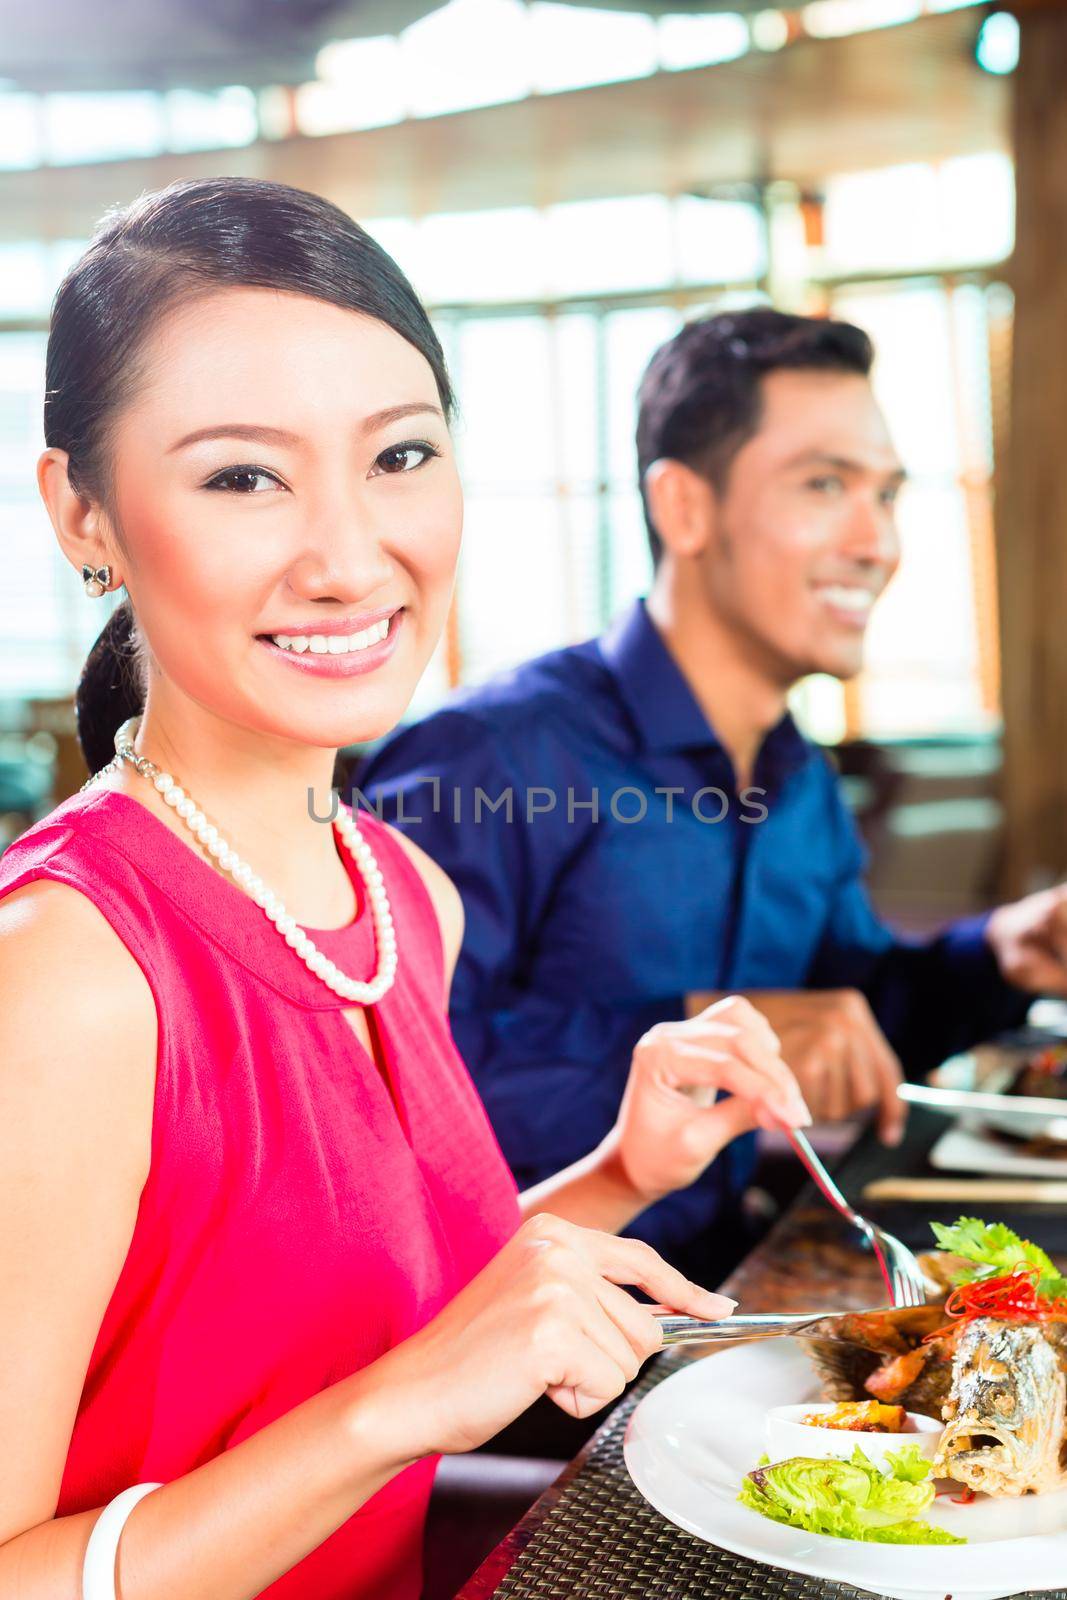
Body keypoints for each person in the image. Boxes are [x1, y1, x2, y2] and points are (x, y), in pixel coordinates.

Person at [0, 182, 810, 1600]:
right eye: (242, 476)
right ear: (84, 511)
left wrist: (625, 1173)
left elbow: (374, 1334)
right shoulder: (63, 973)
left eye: (399, 455)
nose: (348, 556)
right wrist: (394, 1412)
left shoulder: (396, 894)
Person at [361, 307, 1067, 1282]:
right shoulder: (493, 757)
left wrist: (1000, 951)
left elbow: (844, 1014)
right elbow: (373, 1085)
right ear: (683, 508)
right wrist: (693, 1032)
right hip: (511, 1335)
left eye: (886, 494)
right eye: (824, 484)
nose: (877, 542)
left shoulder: (796, 771)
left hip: (713, 1287)